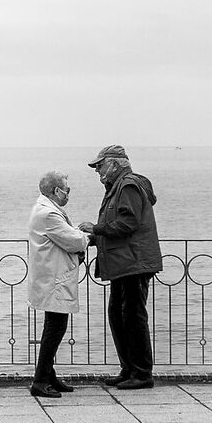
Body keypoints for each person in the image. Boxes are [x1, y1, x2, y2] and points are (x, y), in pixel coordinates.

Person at [83, 144, 161, 390]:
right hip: (123, 263)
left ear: (115, 164)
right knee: (119, 315)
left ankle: (141, 373)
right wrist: (91, 238)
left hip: (133, 262)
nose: (97, 171)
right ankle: (129, 369)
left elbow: (127, 224)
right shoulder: (117, 187)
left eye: (100, 165)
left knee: (133, 317)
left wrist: (94, 230)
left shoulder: (127, 186)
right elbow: (116, 225)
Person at [24, 171, 89, 398]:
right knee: (55, 329)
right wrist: (88, 235)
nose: (68, 194)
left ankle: (48, 375)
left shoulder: (46, 210)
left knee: (53, 326)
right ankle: (40, 380)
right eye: (67, 190)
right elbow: (73, 240)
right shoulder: (49, 214)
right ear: (56, 191)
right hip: (54, 279)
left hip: (52, 277)